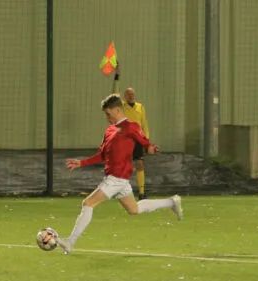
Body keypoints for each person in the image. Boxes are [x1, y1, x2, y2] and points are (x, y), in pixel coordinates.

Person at [56, 93, 182, 255]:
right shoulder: (109, 130)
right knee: (134, 209)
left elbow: (145, 143)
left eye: (108, 114)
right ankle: (171, 202)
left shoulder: (131, 127)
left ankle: (70, 242)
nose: (106, 117)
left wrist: (150, 148)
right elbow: (102, 154)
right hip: (119, 179)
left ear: (117, 110)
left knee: (88, 204)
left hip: (116, 178)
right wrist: (82, 162)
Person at [112, 65, 150, 199]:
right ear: (125, 96)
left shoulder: (140, 107)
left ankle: (141, 192)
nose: (131, 96)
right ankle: (119, 191)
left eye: (133, 94)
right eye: (129, 94)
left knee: (139, 164)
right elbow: (114, 94)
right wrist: (116, 76)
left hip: (137, 139)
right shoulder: (121, 105)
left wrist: (147, 142)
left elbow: (144, 124)